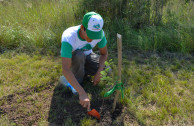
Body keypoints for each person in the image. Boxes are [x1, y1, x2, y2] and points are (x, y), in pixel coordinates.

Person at [60, 12, 108, 111]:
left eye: (96, 35)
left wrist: (99, 72)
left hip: (88, 56)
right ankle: (72, 81)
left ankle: (82, 72)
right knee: (79, 55)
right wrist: (82, 93)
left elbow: (104, 54)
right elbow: (65, 68)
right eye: (90, 35)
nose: (93, 38)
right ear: (82, 28)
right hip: (75, 58)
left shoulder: (100, 34)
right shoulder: (69, 37)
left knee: (107, 70)